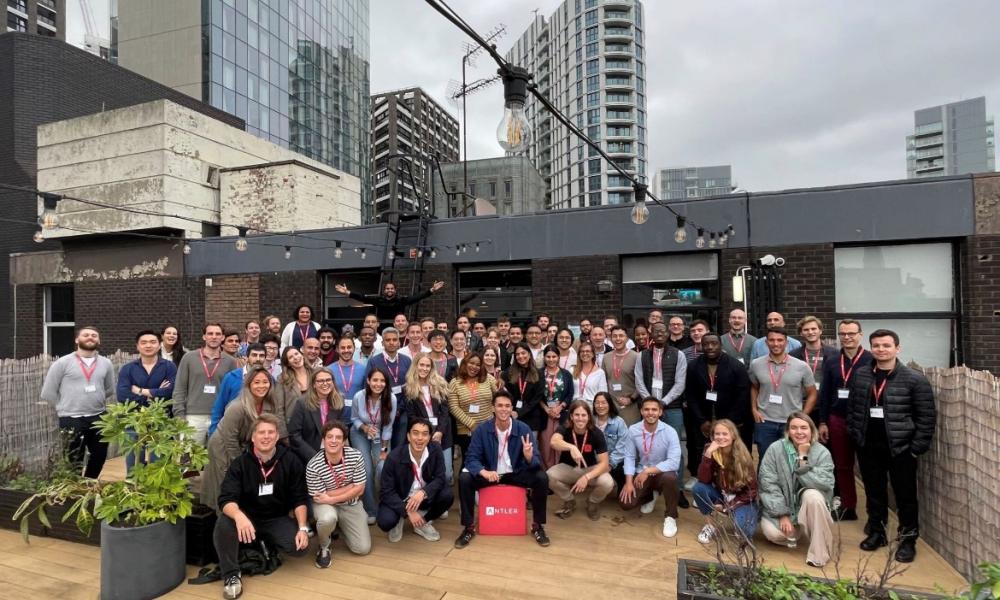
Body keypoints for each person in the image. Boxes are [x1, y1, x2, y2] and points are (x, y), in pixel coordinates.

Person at [847, 329, 935, 563]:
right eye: (876, 346)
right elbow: (853, 408)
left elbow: (926, 418)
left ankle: (908, 539)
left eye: (886, 345)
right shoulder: (861, 375)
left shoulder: (914, 380)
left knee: (905, 496)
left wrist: (915, 448)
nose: (881, 350)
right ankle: (877, 532)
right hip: (868, 446)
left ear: (898, 348)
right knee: (874, 492)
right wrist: (856, 436)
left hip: (901, 448)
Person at [214, 414, 309, 598]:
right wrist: (240, 517)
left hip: (275, 518)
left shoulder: (290, 460)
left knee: (301, 549)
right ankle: (232, 575)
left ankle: (263, 542)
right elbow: (226, 499)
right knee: (224, 523)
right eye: (261, 432)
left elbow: (299, 498)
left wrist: (303, 528)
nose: (266, 436)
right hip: (246, 518)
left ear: (277, 436)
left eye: (271, 432)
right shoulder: (240, 464)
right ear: (253, 437)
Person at [454, 390, 550, 549]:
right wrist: (483, 472)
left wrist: (528, 457)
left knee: (541, 478)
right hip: (490, 474)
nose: (503, 409)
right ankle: (468, 527)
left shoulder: (523, 429)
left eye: (507, 406)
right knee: (465, 479)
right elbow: (471, 457)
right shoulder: (482, 430)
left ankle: (537, 526)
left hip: (516, 473)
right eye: (499, 405)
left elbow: (536, 461)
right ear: (493, 408)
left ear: (512, 408)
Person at [202, 367, 287, 511]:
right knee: (225, 483)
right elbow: (229, 438)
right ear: (249, 385)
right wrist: (241, 464)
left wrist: (286, 448)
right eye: (257, 382)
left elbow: (279, 423)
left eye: (265, 382)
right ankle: (222, 518)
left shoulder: (270, 402)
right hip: (223, 445)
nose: (261, 386)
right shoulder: (237, 406)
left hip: (242, 443)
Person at [759, 412, 835, 568]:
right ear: (788, 431)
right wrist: (782, 514)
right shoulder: (775, 449)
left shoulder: (822, 452)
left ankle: (819, 554)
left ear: (811, 430)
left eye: (803, 428)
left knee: (813, 495)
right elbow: (768, 484)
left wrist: (803, 458)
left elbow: (824, 484)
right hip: (785, 507)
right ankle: (800, 529)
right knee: (775, 534)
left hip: (808, 506)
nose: (799, 432)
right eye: (794, 428)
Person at [40, 326, 116, 479]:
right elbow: (48, 392)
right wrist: (66, 406)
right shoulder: (62, 363)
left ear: (99, 340)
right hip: (71, 418)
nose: (90, 337)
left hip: (99, 417)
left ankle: (88, 483)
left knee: (100, 455)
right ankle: (73, 488)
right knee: (74, 458)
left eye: (94, 335)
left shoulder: (106, 363)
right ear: (77, 340)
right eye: (86, 335)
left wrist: (93, 398)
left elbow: (108, 389)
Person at [817, 318, 872, 522]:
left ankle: (874, 513)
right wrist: (823, 421)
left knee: (868, 467)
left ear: (860, 335)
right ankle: (849, 507)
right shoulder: (831, 360)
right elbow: (824, 393)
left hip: (863, 420)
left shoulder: (870, 359)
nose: (847, 337)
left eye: (851, 333)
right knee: (842, 465)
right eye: (843, 334)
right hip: (837, 419)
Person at [634, 322, 688, 506]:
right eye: (656, 331)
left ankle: (677, 488)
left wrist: (663, 402)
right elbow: (639, 380)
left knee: (676, 450)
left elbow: (680, 383)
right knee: (647, 447)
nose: (659, 334)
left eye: (663, 331)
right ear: (650, 333)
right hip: (649, 409)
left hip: (671, 407)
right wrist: (651, 403)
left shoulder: (678, 355)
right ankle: (650, 486)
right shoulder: (642, 355)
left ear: (668, 333)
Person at [305, 420, 371, 569]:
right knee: (328, 518)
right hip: (325, 505)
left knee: (362, 549)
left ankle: (341, 526)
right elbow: (319, 497)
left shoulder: (355, 456)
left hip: (349, 504)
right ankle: (324, 547)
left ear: (344, 441)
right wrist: (350, 487)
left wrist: (333, 496)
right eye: (329, 437)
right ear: (323, 440)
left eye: (338, 437)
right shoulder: (313, 465)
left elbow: (360, 489)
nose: (333, 441)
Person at [378, 418, 454, 542]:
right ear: (408, 436)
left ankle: (422, 522)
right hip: (401, 498)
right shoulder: (394, 457)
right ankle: (400, 517)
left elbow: (440, 478)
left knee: (447, 495)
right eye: (415, 433)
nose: (420, 438)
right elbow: (386, 491)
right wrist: (407, 510)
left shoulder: (435, 450)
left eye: (425, 434)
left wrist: (423, 492)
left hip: (422, 497)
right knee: (385, 521)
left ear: (430, 437)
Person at [685, 333, 753, 469]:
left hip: (730, 420)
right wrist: (701, 421)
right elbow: (691, 395)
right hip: (704, 421)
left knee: (731, 454)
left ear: (721, 345)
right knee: (704, 453)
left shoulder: (736, 366)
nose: (710, 347)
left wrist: (728, 424)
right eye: (706, 344)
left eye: (714, 344)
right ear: (701, 347)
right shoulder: (693, 366)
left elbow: (742, 396)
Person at [619, 397, 682, 538]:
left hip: (662, 473)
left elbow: (673, 462)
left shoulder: (670, 431)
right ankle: (650, 496)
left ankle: (670, 517)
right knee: (626, 504)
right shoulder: (633, 430)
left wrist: (648, 471)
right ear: (641, 411)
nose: (650, 413)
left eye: (654, 409)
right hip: (641, 472)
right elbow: (629, 456)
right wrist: (628, 483)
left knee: (670, 477)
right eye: (646, 409)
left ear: (660, 412)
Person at [750, 327, 817, 458]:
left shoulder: (801, 366)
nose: (776, 344)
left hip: (791, 422)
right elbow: (754, 387)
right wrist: (754, 409)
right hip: (765, 422)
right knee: (765, 460)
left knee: (795, 459)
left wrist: (802, 416)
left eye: (780, 340)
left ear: (786, 343)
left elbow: (812, 393)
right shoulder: (756, 364)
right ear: (766, 342)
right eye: (772, 340)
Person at [116, 330, 177, 473]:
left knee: (159, 461)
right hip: (133, 419)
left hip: (162, 419)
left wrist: (139, 390)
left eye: (152, 342)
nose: (148, 345)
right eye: (143, 343)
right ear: (137, 346)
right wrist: (155, 393)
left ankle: (156, 491)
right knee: (134, 461)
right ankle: (134, 490)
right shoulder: (128, 369)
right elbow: (123, 395)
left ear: (159, 345)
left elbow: (170, 392)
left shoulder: (169, 367)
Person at [692, 419, 760, 544]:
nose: (721, 437)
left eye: (725, 434)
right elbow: (703, 479)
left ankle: (747, 516)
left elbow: (752, 491)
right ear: (712, 436)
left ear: (733, 435)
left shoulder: (743, 454)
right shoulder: (710, 450)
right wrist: (707, 455)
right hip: (722, 494)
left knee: (745, 532)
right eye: (717, 434)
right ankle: (710, 525)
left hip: (742, 499)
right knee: (698, 488)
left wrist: (727, 506)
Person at [547, 401, 614, 520]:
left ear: (589, 417)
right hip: (569, 468)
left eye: (584, 415)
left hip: (590, 469)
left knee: (608, 482)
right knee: (548, 476)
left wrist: (586, 477)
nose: (580, 419)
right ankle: (569, 501)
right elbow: (553, 442)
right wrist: (571, 447)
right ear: (571, 417)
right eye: (577, 415)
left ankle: (592, 502)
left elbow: (604, 464)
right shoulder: (565, 427)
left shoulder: (596, 433)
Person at [173, 323, 237, 444]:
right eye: (210, 333)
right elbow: (180, 389)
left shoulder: (230, 362)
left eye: (218, 334)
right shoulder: (189, 358)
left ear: (223, 337)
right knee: (189, 458)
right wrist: (179, 415)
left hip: (220, 416)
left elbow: (233, 392)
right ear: (204, 337)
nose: (214, 337)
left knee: (215, 458)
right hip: (193, 416)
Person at [350, 368, 398, 523]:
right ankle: (371, 509)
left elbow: (389, 427)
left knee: (383, 466)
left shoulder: (391, 398)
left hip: (380, 435)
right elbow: (354, 419)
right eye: (375, 380)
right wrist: (365, 428)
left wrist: (384, 450)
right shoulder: (359, 396)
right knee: (365, 468)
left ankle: (385, 503)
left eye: (382, 381)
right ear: (368, 381)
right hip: (360, 433)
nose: (378, 384)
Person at [403, 353, 454, 483]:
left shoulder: (441, 384)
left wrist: (440, 431)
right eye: (421, 365)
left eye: (428, 366)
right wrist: (428, 432)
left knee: (446, 474)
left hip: (443, 433)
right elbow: (411, 416)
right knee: (427, 474)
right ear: (415, 366)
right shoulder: (408, 388)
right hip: (421, 434)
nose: (424, 368)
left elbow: (445, 412)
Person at [288, 369, 349, 464]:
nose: (325, 383)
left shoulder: (339, 400)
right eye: (320, 381)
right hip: (308, 453)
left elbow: (342, 429)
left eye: (328, 380)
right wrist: (313, 456)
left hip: (333, 451)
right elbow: (294, 435)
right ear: (313, 385)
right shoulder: (302, 403)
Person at [366, 327, 411, 448]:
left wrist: (399, 409)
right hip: (381, 410)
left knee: (400, 445)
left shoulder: (407, 361)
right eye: (388, 340)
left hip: (402, 411)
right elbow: (369, 387)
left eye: (394, 340)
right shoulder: (374, 361)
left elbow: (410, 388)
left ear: (399, 342)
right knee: (382, 447)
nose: (391, 342)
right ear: (382, 343)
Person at [210, 344, 268, 435]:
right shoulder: (231, 377)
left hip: (258, 431)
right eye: (254, 355)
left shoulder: (269, 380)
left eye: (261, 356)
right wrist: (213, 431)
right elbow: (219, 405)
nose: (258, 359)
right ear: (247, 357)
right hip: (232, 429)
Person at [448, 352, 497, 456]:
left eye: (478, 365)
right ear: (465, 363)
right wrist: (472, 424)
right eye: (471, 363)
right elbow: (453, 407)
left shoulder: (488, 378)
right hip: (466, 430)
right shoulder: (455, 382)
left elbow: (500, 396)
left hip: (488, 427)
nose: (474, 367)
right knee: (469, 461)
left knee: (489, 458)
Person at [789, 316, 839, 411]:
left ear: (820, 331)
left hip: (826, 405)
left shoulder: (834, 354)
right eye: (806, 330)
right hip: (800, 405)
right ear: (801, 333)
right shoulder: (793, 355)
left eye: (813, 329)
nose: (810, 332)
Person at [335, 280, 446, 321]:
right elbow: (363, 298)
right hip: (382, 326)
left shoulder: (401, 300)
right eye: (388, 288)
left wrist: (431, 290)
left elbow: (417, 297)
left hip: (398, 326)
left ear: (395, 290)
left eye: (392, 288)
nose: (390, 290)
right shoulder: (379, 300)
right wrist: (348, 292)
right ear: (384, 290)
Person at [538, 344, 574, 468]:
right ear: (544, 357)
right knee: (546, 445)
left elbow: (570, 394)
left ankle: (559, 470)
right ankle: (547, 471)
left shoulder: (566, 374)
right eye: (548, 356)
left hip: (561, 414)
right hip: (544, 415)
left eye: (554, 356)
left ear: (558, 357)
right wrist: (546, 409)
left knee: (559, 443)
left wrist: (560, 407)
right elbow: (536, 396)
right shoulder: (538, 374)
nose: (551, 359)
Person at [504, 342, 545, 434]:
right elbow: (505, 394)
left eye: (523, 353)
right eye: (517, 354)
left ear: (529, 354)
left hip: (532, 417)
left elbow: (537, 398)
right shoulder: (508, 373)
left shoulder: (539, 374)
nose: (520, 356)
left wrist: (520, 412)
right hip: (512, 415)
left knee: (530, 446)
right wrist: (512, 411)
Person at [604, 326, 641, 425]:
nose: (618, 339)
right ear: (610, 338)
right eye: (614, 336)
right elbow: (604, 381)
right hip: (611, 406)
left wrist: (631, 399)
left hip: (630, 406)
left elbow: (641, 382)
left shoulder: (636, 357)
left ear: (627, 338)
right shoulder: (606, 357)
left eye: (621, 336)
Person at [593, 392, 629, 492]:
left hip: (614, 462)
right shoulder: (590, 421)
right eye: (597, 403)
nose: (600, 406)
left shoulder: (619, 422)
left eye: (604, 403)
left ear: (610, 404)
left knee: (621, 469)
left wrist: (609, 464)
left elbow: (622, 447)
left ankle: (620, 487)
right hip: (594, 461)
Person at [572, 341, 608, 406]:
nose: (585, 353)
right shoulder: (572, 370)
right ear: (579, 354)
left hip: (591, 406)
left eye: (588, 351)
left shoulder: (600, 373)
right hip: (575, 405)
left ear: (593, 354)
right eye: (582, 351)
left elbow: (603, 394)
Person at [331, 336, 366, 403]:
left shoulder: (363, 369)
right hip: (336, 411)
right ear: (337, 349)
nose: (346, 350)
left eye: (349, 347)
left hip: (357, 412)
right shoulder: (329, 370)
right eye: (343, 348)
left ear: (354, 348)